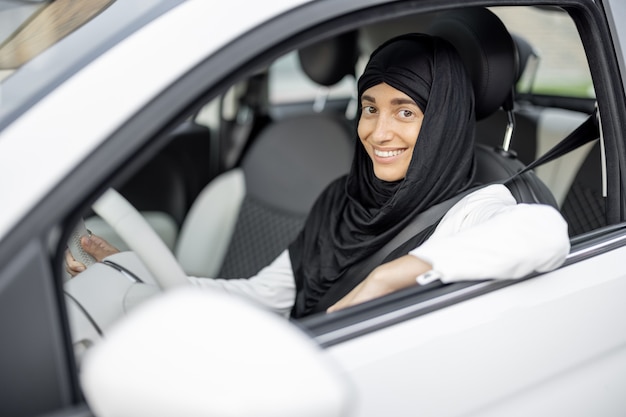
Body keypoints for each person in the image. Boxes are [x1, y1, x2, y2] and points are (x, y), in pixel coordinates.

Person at [66, 34, 570, 319]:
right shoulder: (343, 200)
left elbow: (546, 232)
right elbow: (265, 297)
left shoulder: (474, 209)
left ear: (441, 121)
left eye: (406, 112)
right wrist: (143, 274)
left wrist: (388, 275)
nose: (378, 132)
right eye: (369, 108)